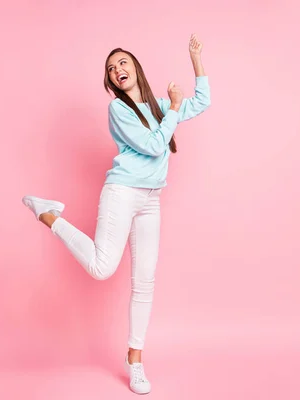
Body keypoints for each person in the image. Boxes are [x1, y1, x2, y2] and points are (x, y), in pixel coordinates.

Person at [22, 33, 210, 394]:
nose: (117, 69)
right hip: (122, 194)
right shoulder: (119, 110)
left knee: (145, 282)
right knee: (101, 267)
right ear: (111, 82)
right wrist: (172, 108)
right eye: (111, 68)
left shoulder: (157, 106)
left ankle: (135, 360)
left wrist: (196, 60)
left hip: (151, 199)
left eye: (122, 62)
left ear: (135, 68)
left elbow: (203, 101)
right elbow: (155, 146)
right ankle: (50, 215)